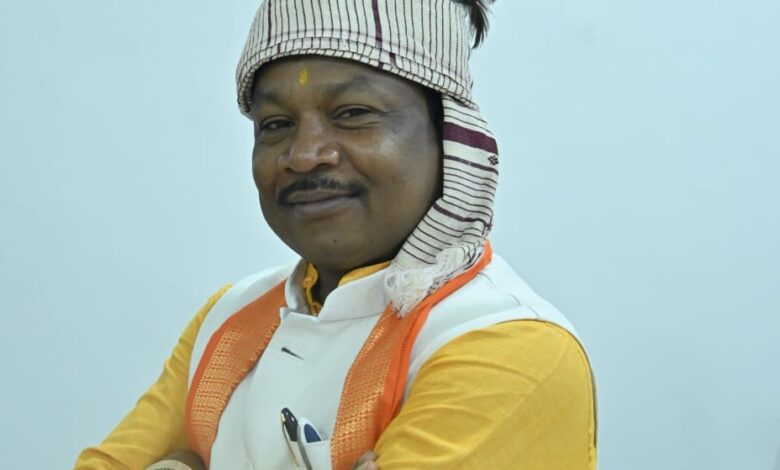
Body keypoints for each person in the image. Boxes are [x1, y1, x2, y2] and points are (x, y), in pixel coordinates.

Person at [75, 0, 596, 469]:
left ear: (451, 137)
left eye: (353, 114)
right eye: (275, 124)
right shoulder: (228, 317)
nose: (304, 155)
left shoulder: (505, 345)